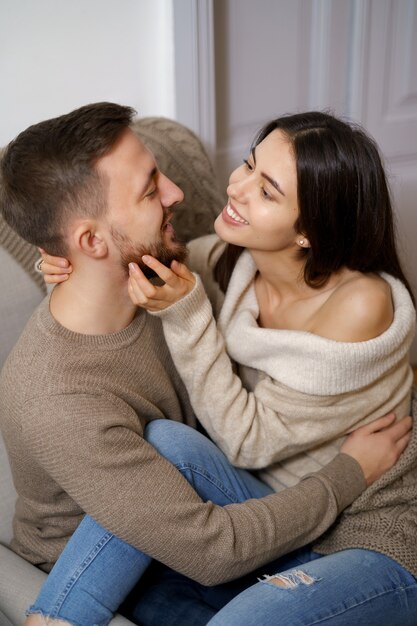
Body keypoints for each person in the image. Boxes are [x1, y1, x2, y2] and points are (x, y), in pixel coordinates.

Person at [0, 103, 405, 626]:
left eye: (268, 188)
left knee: (166, 445)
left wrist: (72, 260)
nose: (180, 193)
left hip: (324, 520)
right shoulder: (62, 394)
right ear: (91, 241)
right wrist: (64, 257)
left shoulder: (175, 284)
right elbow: (212, 545)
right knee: (165, 445)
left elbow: (247, 434)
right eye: (151, 189)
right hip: (202, 539)